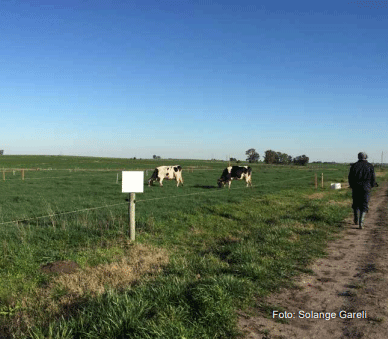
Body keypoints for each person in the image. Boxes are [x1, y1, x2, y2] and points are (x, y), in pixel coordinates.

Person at [348, 152, 378, 229]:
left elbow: (350, 177)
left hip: (356, 187)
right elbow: (373, 177)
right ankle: (361, 222)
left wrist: (351, 185)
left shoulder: (354, 165)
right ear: (366, 157)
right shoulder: (370, 166)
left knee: (356, 202)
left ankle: (356, 219)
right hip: (366, 187)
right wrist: (372, 185)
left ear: (358, 157)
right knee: (364, 203)